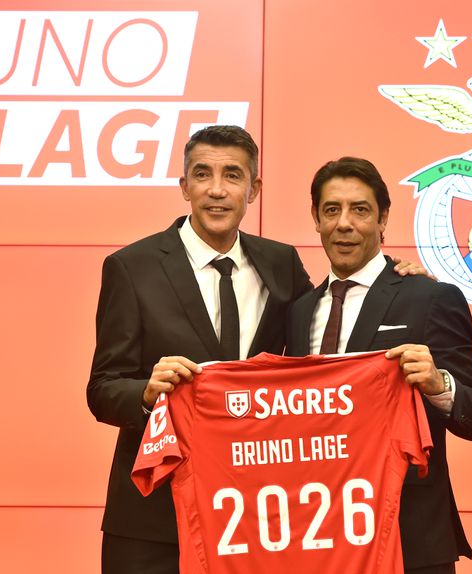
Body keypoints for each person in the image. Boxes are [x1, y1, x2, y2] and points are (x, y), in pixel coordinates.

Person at [87, 127, 428, 573]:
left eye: (233, 175)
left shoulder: (280, 263)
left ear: (254, 189)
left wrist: (396, 280)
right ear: (183, 185)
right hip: (156, 518)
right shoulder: (132, 268)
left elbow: (325, 332)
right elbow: (102, 388)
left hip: (255, 519)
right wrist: (147, 394)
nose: (216, 189)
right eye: (202, 174)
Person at [286, 157, 472, 574]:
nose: (344, 223)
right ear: (315, 218)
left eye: (360, 210)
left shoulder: (430, 298)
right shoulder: (297, 312)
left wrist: (438, 385)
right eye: (332, 210)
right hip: (319, 536)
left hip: (410, 539)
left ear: (383, 218)